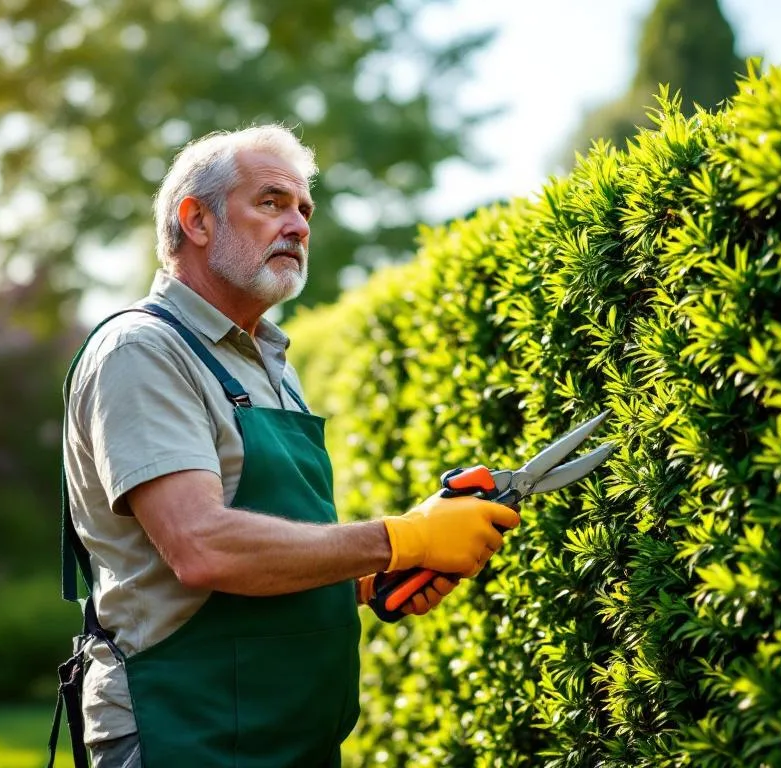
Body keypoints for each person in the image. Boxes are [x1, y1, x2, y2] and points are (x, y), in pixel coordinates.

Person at [49, 124, 521, 768]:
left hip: (291, 736)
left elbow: (267, 555)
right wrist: (402, 538)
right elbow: (201, 548)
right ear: (196, 220)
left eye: (304, 209)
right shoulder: (143, 351)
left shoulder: (271, 363)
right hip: (185, 731)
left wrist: (365, 579)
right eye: (271, 202)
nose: (298, 226)